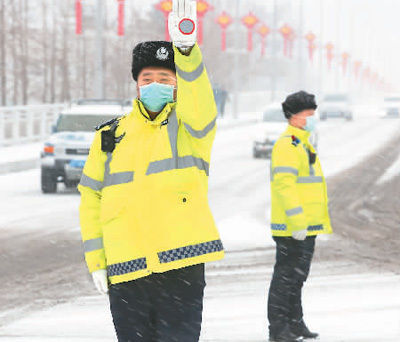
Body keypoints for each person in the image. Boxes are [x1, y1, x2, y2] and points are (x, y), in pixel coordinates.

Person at [78, 1, 224, 341]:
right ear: (137, 84)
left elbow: (200, 102)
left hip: (180, 267)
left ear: (176, 84)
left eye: (164, 77)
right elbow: (91, 201)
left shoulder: (190, 130)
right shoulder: (109, 137)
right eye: (148, 78)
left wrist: (186, 52)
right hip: (126, 271)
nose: (155, 83)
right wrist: (97, 262)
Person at [267, 91, 333, 342]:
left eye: (313, 113)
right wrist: (297, 222)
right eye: (308, 114)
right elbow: (285, 186)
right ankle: (278, 329)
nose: (312, 118)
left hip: (305, 225)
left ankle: (295, 324)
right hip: (293, 227)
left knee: (296, 278)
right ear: (294, 116)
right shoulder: (287, 145)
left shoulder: (302, 142)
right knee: (285, 279)